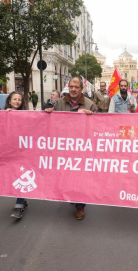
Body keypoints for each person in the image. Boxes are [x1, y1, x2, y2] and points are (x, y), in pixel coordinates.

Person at [45, 76, 97, 220]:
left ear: (82, 89)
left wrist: (91, 117)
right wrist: (49, 114)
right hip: (64, 149)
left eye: (76, 87)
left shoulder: (90, 104)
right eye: (71, 87)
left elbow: (97, 127)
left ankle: (80, 206)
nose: (73, 89)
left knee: (81, 177)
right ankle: (72, 195)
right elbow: (52, 124)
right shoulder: (59, 103)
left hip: (82, 149)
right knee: (67, 175)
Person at [0, 91, 30, 218]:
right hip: (9, 152)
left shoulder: (27, 115)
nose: (17, 101)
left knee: (21, 176)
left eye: (19, 100)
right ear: (9, 101)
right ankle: (23, 201)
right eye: (14, 99)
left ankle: (19, 205)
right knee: (13, 176)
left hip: (24, 151)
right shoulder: (2, 115)